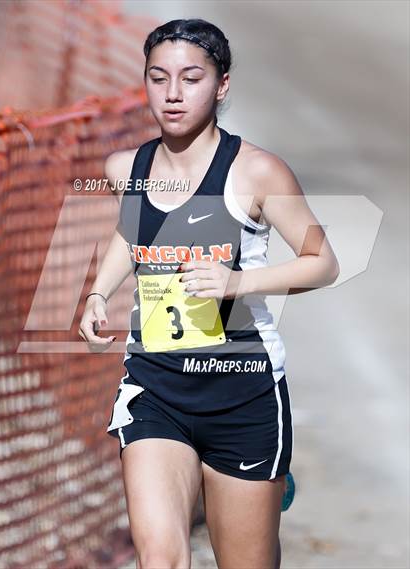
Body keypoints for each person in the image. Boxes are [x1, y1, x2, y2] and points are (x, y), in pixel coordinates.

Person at [79, 18, 339, 569]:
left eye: (191, 78)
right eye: (158, 77)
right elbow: (133, 232)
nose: (173, 93)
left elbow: (323, 262)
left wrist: (238, 282)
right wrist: (99, 294)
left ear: (221, 85)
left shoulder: (259, 171)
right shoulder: (127, 168)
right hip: (156, 388)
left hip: (243, 396)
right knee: (162, 560)